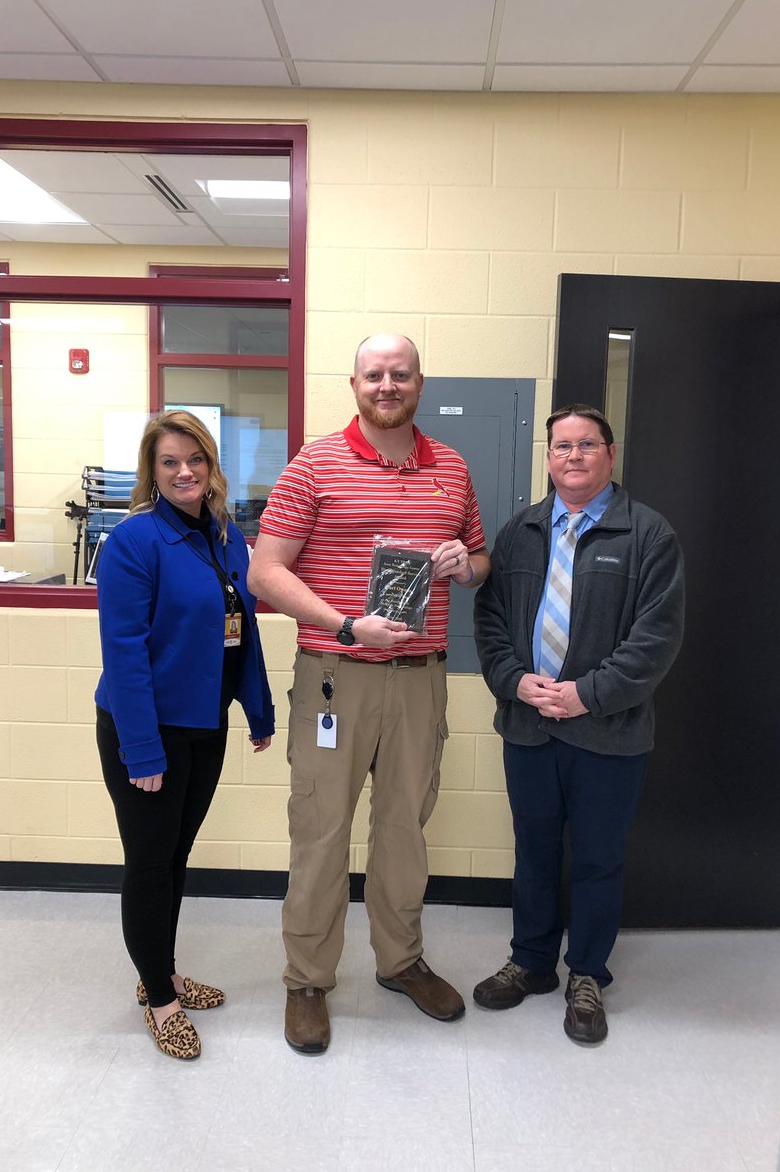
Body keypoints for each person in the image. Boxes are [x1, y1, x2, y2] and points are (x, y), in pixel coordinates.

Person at [248, 333, 490, 1055]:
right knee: (321, 831)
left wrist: (465, 563)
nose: (388, 385)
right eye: (375, 375)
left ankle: (400, 961)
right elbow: (266, 572)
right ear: (354, 383)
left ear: (421, 382)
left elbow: (478, 558)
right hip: (335, 677)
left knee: (405, 829)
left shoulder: (451, 467)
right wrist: (347, 624)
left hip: (420, 682)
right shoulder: (315, 464)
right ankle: (307, 980)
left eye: (401, 374)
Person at [472, 404, 684, 1044]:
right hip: (529, 727)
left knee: (597, 859)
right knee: (533, 853)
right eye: (561, 445)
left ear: (609, 454)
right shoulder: (519, 532)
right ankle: (531, 961)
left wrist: (587, 694)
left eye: (586, 445)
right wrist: (514, 681)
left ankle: (587, 972)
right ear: (547, 456)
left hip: (608, 735)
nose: (572, 456)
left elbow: (656, 641)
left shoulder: (648, 535)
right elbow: (489, 622)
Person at [95, 410, 274, 1060]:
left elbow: (241, 632)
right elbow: (124, 652)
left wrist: (257, 710)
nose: (184, 472)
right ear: (153, 472)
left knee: (175, 857)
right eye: (169, 462)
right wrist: (141, 749)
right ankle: (160, 999)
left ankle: (161, 971)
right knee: (149, 861)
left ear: (211, 465)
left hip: (205, 723)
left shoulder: (227, 538)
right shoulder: (133, 542)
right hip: (146, 728)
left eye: (194, 459)